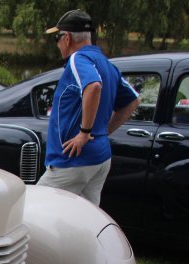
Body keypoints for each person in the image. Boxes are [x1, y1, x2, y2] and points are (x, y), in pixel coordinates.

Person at [37, 10, 140, 206]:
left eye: (57, 38)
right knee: (85, 219)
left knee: (36, 211)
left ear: (67, 38)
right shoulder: (106, 64)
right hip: (99, 158)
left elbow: (93, 86)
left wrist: (84, 133)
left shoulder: (78, 59)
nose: (57, 44)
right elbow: (133, 100)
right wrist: (103, 131)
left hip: (72, 161)